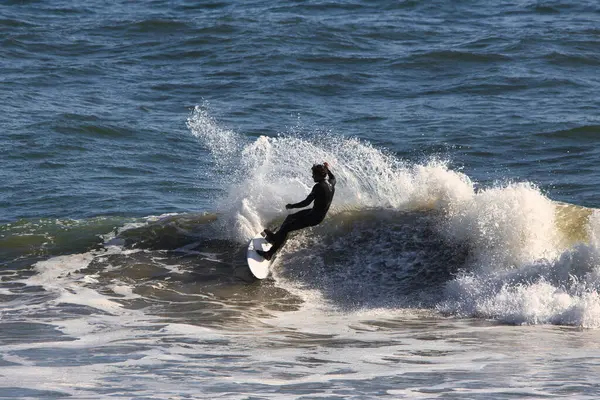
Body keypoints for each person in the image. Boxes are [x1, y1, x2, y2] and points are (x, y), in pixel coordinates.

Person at [256, 162, 336, 261]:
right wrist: (327, 169)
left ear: (319, 175)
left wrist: (292, 205)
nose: (312, 176)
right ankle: (275, 238)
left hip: (314, 217)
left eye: (314, 174)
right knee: (290, 218)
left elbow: (306, 202)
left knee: (286, 228)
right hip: (317, 213)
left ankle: (269, 253)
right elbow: (333, 177)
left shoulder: (319, 187)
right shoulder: (331, 183)